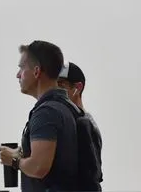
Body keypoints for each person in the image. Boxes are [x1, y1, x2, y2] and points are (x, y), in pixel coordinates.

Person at [0, 40, 79, 191]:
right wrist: (23, 154)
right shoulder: (67, 107)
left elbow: (38, 167)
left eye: (21, 68)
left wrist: (14, 160)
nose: (17, 75)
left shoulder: (46, 113)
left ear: (36, 72)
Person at [58, 60, 103, 189]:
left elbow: (92, 176)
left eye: (61, 85)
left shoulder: (83, 122)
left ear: (77, 87)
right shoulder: (70, 120)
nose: (55, 90)